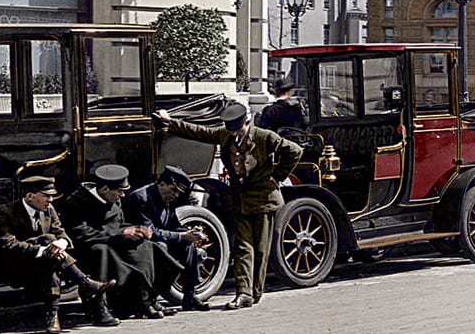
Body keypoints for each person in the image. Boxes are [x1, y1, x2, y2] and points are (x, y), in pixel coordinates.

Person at [155, 100, 303, 308]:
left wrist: (276, 177)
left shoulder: (264, 136)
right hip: (240, 199)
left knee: (260, 250)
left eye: (238, 129)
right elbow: (199, 131)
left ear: (247, 122)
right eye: (230, 129)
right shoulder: (225, 135)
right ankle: (243, 294)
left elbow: (294, 151)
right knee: (243, 247)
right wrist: (170, 122)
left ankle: (255, 292)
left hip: (263, 199)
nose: (234, 134)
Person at [0, 176, 113, 333]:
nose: (50, 200)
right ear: (30, 196)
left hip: (43, 262)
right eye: (46, 195)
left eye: (52, 196)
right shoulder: (4, 212)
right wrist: (43, 250)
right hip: (10, 265)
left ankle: (53, 315)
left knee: (50, 251)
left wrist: (62, 243)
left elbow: (61, 233)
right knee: (48, 242)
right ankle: (84, 283)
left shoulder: (48, 210)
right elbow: (8, 245)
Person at [58, 164, 165, 318]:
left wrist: (136, 230)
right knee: (101, 251)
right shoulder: (77, 202)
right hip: (86, 248)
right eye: (119, 191)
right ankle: (99, 306)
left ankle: (144, 299)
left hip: (113, 241)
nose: (122, 195)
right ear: (105, 189)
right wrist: (119, 234)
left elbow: (119, 223)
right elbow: (81, 233)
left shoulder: (113, 199)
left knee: (146, 247)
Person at [122, 165, 208, 312]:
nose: (175, 195)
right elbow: (150, 232)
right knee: (162, 247)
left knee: (187, 245)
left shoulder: (167, 199)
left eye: (178, 192)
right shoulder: (141, 198)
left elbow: (173, 225)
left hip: (158, 240)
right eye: (173, 190)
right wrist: (181, 236)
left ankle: (189, 294)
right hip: (137, 244)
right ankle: (151, 298)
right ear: (162, 184)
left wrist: (190, 233)